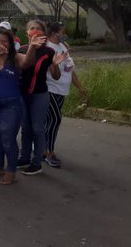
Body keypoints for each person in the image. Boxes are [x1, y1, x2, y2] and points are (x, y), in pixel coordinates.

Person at [0, 29, 44, 185]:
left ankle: (10, 171)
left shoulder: (15, 58)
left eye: (4, 41)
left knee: (7, 139)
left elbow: (28, 63)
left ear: (11, 44)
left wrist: (31, 46)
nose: (0, 44)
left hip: (10, 105)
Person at [17, 20, 67, 176]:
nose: (35, 31)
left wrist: (55, 65)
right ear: (27, 33)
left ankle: (36, 162)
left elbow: (56, 76)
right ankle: (24, 157)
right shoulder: (22, 50)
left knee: (38, 128)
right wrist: (32, 47)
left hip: (40, 94)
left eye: (39, 29)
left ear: (44, 34)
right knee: (25, 128)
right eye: (32, 28)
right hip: (23, 94)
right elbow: (24, 67)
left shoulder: (49, 52)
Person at [45, 22, 88, 168]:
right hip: (49, 89)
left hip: (62, 90)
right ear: (54, 33)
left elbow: (70, 69)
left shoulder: (63, 47)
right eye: (62, 32)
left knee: (50, 121)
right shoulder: (47, 48)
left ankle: (41, 148)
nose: (64, 35)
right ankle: (49, 152)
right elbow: (52, 71)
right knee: (55, 119)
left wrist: (80, 86)